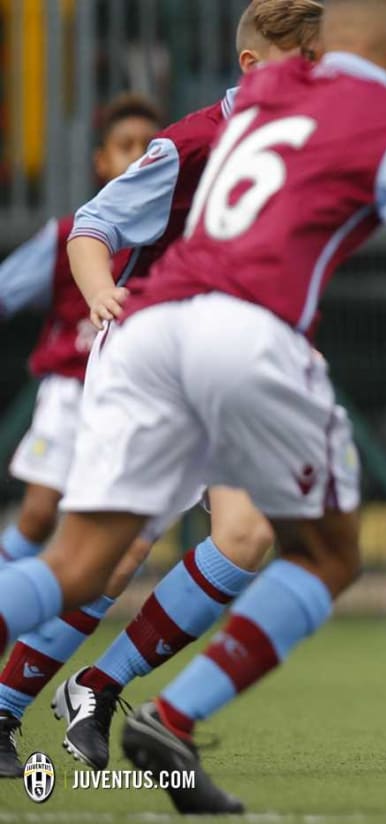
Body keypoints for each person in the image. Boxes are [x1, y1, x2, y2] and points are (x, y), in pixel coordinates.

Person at [0, 0, 386, 812]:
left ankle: (99, 690)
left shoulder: (261, 103)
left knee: (114, 556)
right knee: (329, 553)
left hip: (161, 329)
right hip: (240, 331)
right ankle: (168, 717)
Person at [0, 0, 324, 778]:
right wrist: (103, 291)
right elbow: (91, 227)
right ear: (253, 67)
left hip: (231, 364)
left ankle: (99, 687)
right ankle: (5, 707)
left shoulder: (303, 143)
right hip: (153, 359)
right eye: (306, 60)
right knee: (108, 562)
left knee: (247, 538)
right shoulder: (192, 144)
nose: (320, 76)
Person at [0, 94, 161, 778]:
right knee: (49, 521)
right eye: (125, 146)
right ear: (102, 160)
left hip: (147, 399)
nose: (137, 157)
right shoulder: (75, 231)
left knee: (113, 556)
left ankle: (25, 692)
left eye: (147, 147)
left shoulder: (174, 228)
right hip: (73, 394)